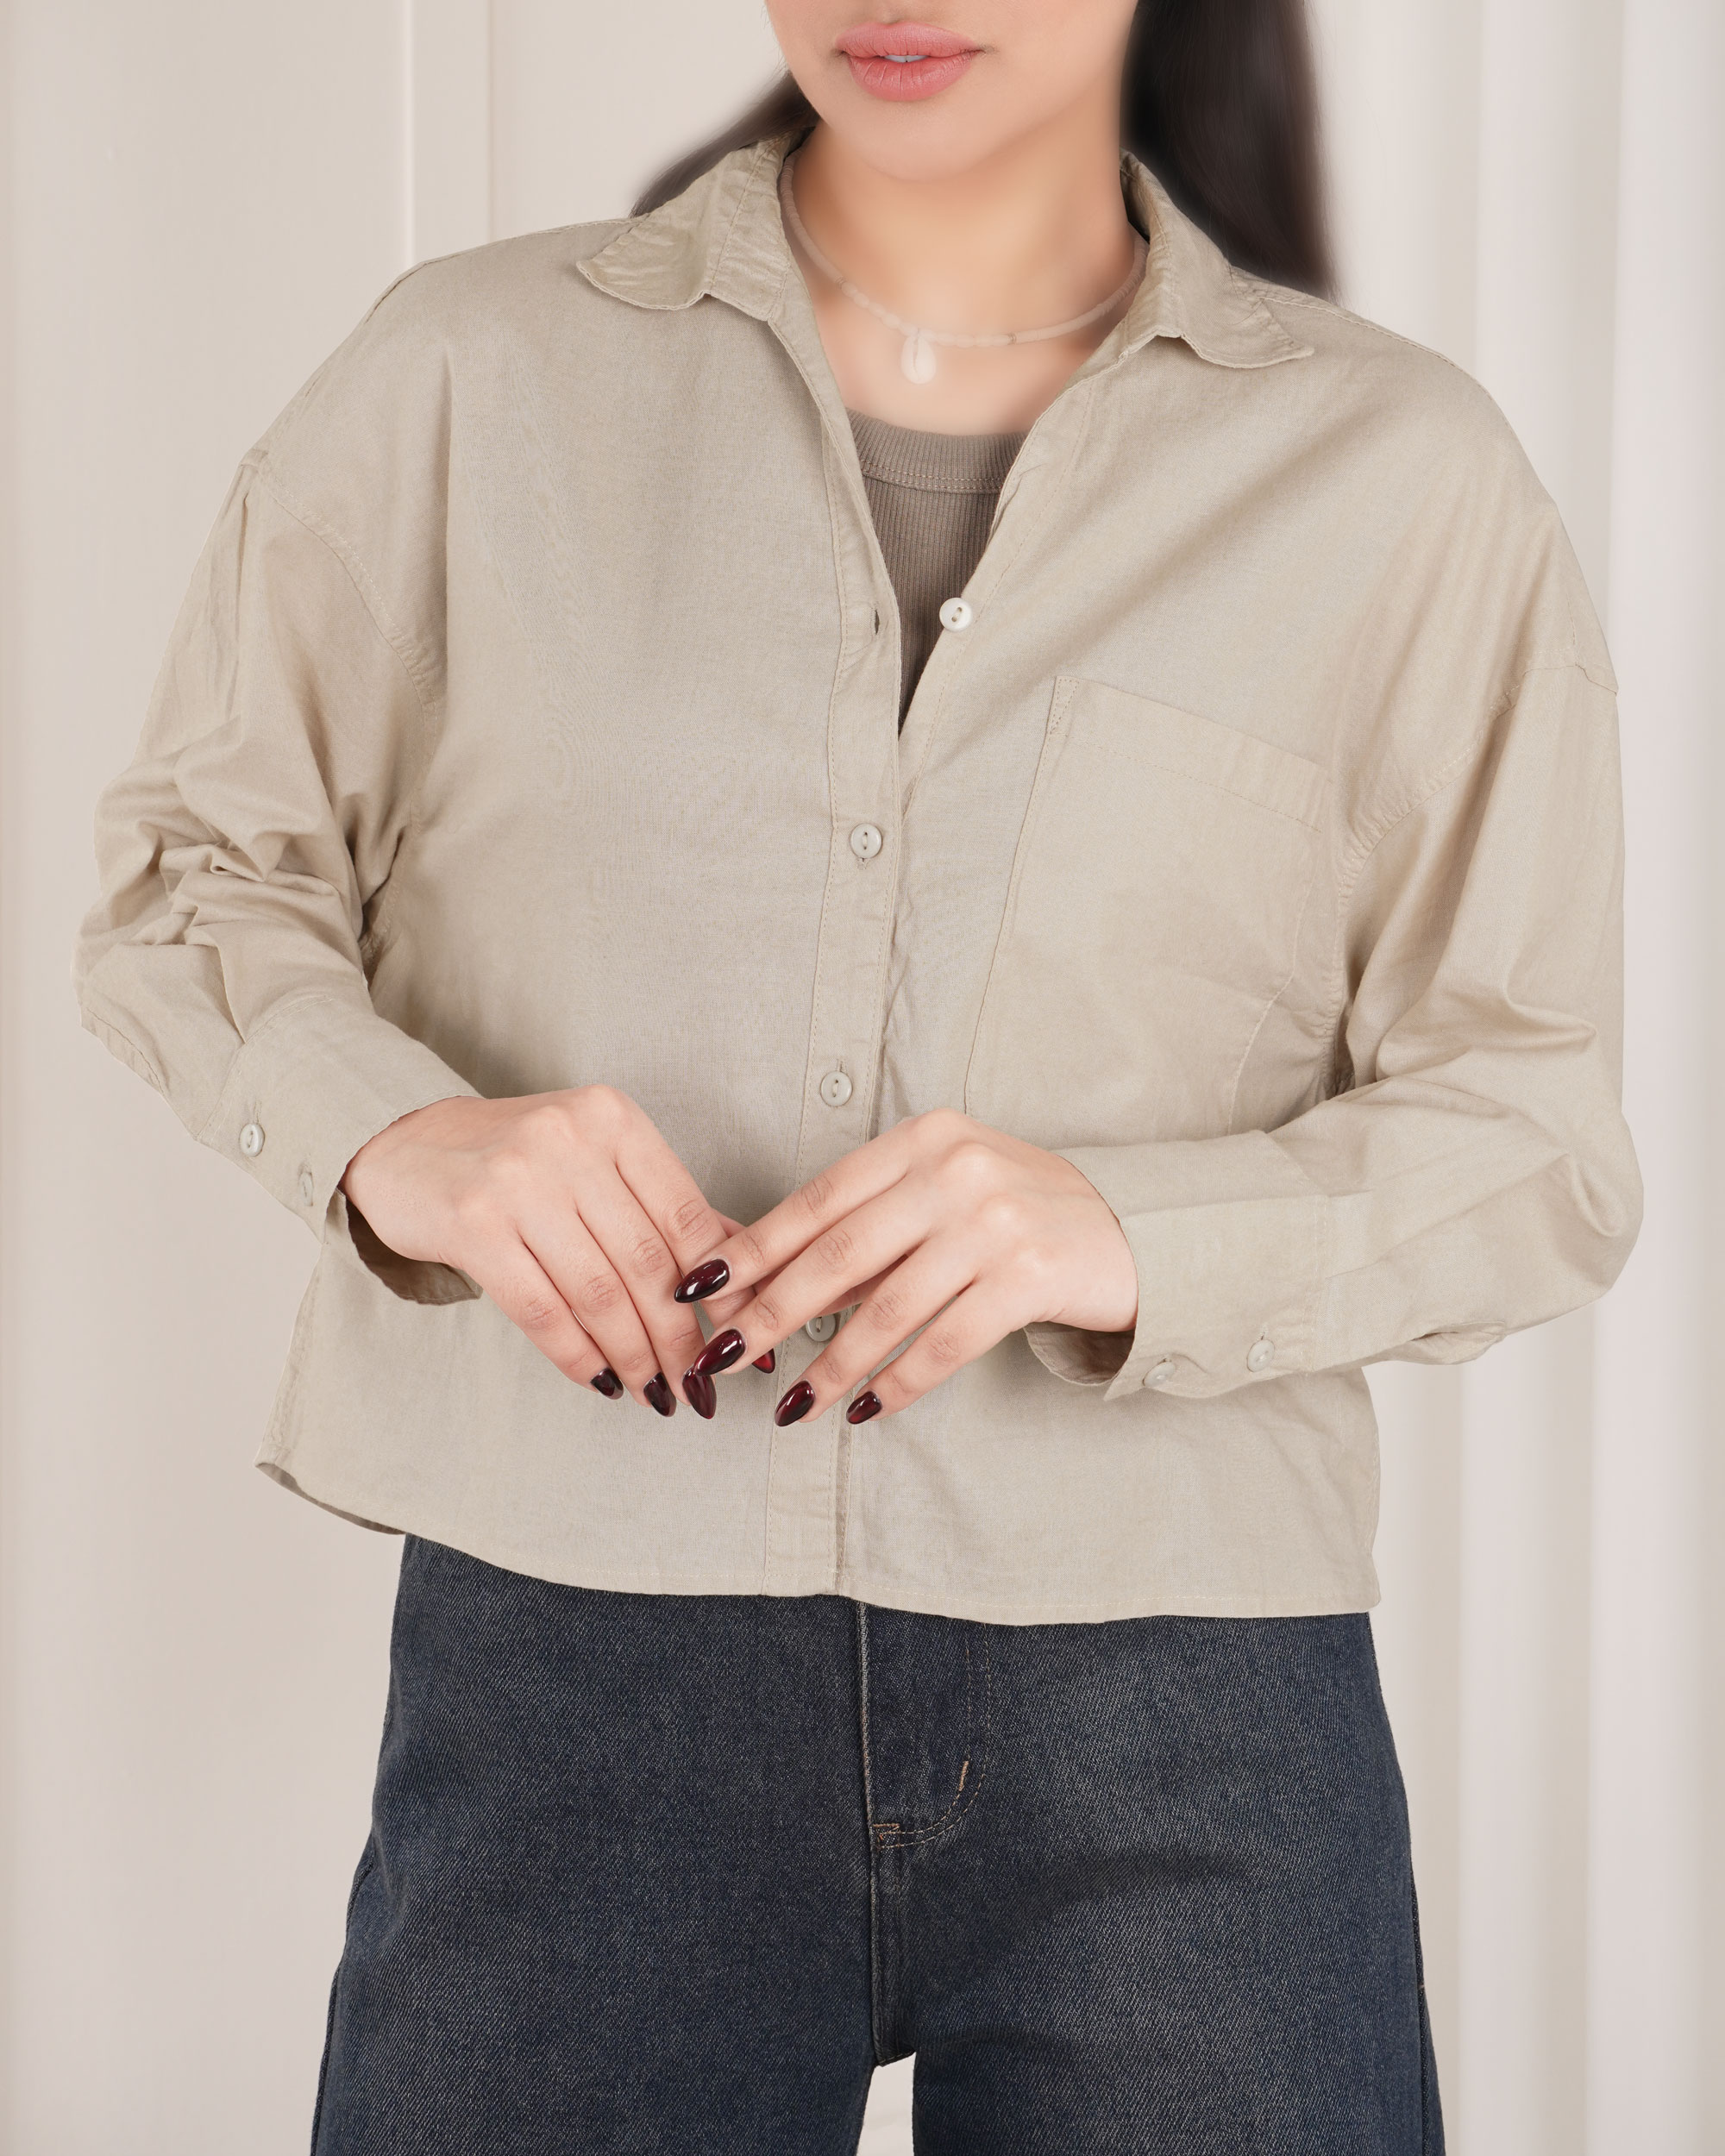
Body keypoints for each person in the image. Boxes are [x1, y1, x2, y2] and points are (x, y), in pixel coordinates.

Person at [74, 1, 1640, 2148]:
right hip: (575, 1686)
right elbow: (193, 872)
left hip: (1187, 1712)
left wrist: (1125, 1228)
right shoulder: (470, 377)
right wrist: (399, 1132)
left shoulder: (1398, 475)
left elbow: (1535, 1133)